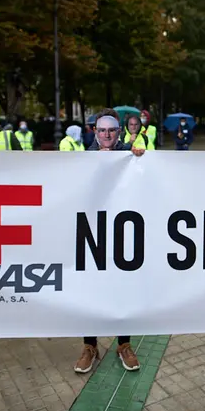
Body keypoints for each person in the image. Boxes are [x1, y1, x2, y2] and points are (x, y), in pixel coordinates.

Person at [75, 115, 144, 374]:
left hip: (122, 232)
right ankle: (89, 346)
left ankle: (124, 344)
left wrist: (141, 157)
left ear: (119, 132)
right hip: (91, 230)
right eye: (101, 130)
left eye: (111, 130)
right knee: (90, 290)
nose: (105, 135)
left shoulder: (131, 155)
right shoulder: (83, 158)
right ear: (94, 131)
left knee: (123, 286)